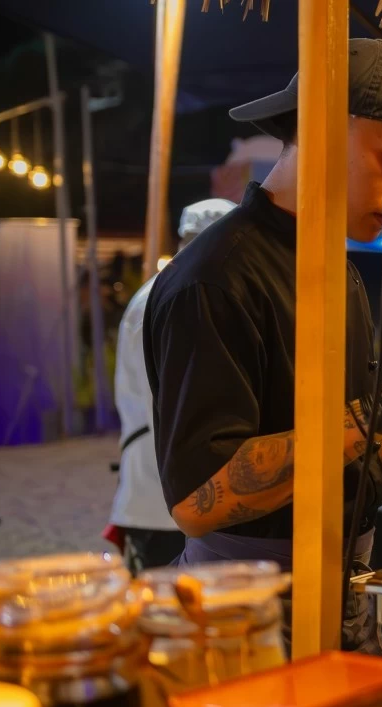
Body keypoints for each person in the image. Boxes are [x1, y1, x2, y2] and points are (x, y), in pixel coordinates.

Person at [143, 38, 382, 647]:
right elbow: (196, 498)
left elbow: (353, 444)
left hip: (346, 587)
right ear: (322, 130)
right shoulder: (215, 278)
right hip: (249, 610)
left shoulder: (333, 269)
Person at [107, 198, 237, 574]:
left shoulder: (165, 290)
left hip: (161, 496)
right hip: (166, 501)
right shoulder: (182, 296)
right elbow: (186, 409)